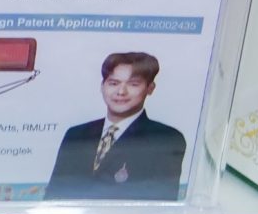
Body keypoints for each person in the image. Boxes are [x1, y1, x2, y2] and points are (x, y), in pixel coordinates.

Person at [45, 52, 186, 201]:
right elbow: (53, 196)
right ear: (102, 86)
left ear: (150, 88)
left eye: (133, 84)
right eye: (113, 83)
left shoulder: (166, 139)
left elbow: (159, 203)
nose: (121, 92)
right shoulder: (76, 134)